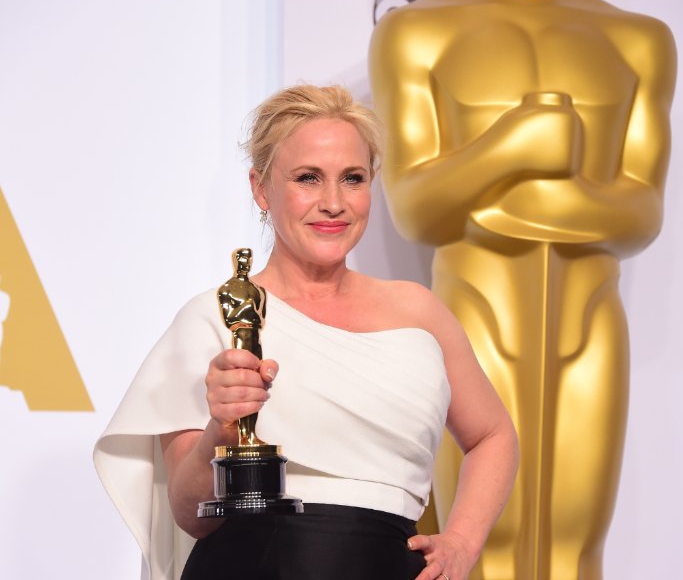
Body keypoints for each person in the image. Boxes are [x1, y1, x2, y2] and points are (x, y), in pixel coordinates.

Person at [94, 84, 518, 580]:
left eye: (353, 178)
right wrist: (222, 431)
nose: (333, 203)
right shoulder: (216, 317)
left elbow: (494, 435)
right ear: (261, 189)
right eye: (308, 178)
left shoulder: (419, 311)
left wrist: (463, 542)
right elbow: (190, 514)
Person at [369, 0, 677, 579]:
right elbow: (416, 208)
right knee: (478, 539)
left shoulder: (639, 39)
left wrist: (504, 203)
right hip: (473, 313)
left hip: (590, 315)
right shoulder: (416, 31)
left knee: (576, 538)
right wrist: (513, 146)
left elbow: (642, 212)